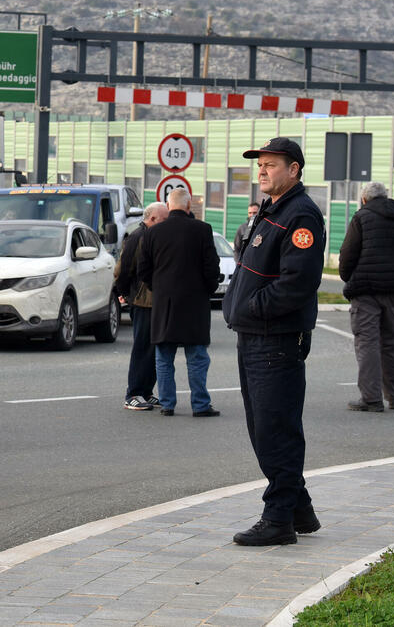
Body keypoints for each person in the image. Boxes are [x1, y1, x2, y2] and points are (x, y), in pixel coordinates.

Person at [223, 137, 325, 546]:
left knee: (275, 429)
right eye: (260, 165)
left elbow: (298, 283)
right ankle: (299, 509)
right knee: (262, 427)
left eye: (271, 164)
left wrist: (251, 308)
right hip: (254, 336)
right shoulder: (273, 209)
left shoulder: (301, 215)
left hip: (275, 338)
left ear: (294, 169)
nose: (262, 171)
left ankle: (279, 519)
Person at [338, 181, 394, 412]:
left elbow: (347, 254)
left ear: (364, 199)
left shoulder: (361, 217)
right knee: (392, 344)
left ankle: (371, 398)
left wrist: (348, 276)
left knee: (368, 343)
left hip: (366, 292)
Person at [138, 188, 220, 418]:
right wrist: (207, 289)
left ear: (168, 204)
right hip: (195, 304)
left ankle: (167, 404)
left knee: (164, 357)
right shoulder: (202, 230)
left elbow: (143, 270)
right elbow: (211, 267)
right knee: (197, 358)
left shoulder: (153, 233)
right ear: (188, 205)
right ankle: (200, 404)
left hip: (164, 304)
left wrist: (159, 288)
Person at [114, 201, 169, 411]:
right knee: (142, 347)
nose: (167, 223)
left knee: (153, 347)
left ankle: (146, 391)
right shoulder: (138, 237)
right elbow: (123, 269)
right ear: (152, 218)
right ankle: (134, 393)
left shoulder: (152, 236)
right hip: (141, 300)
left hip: (153, 300)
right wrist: (124, 293)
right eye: (164, 219)